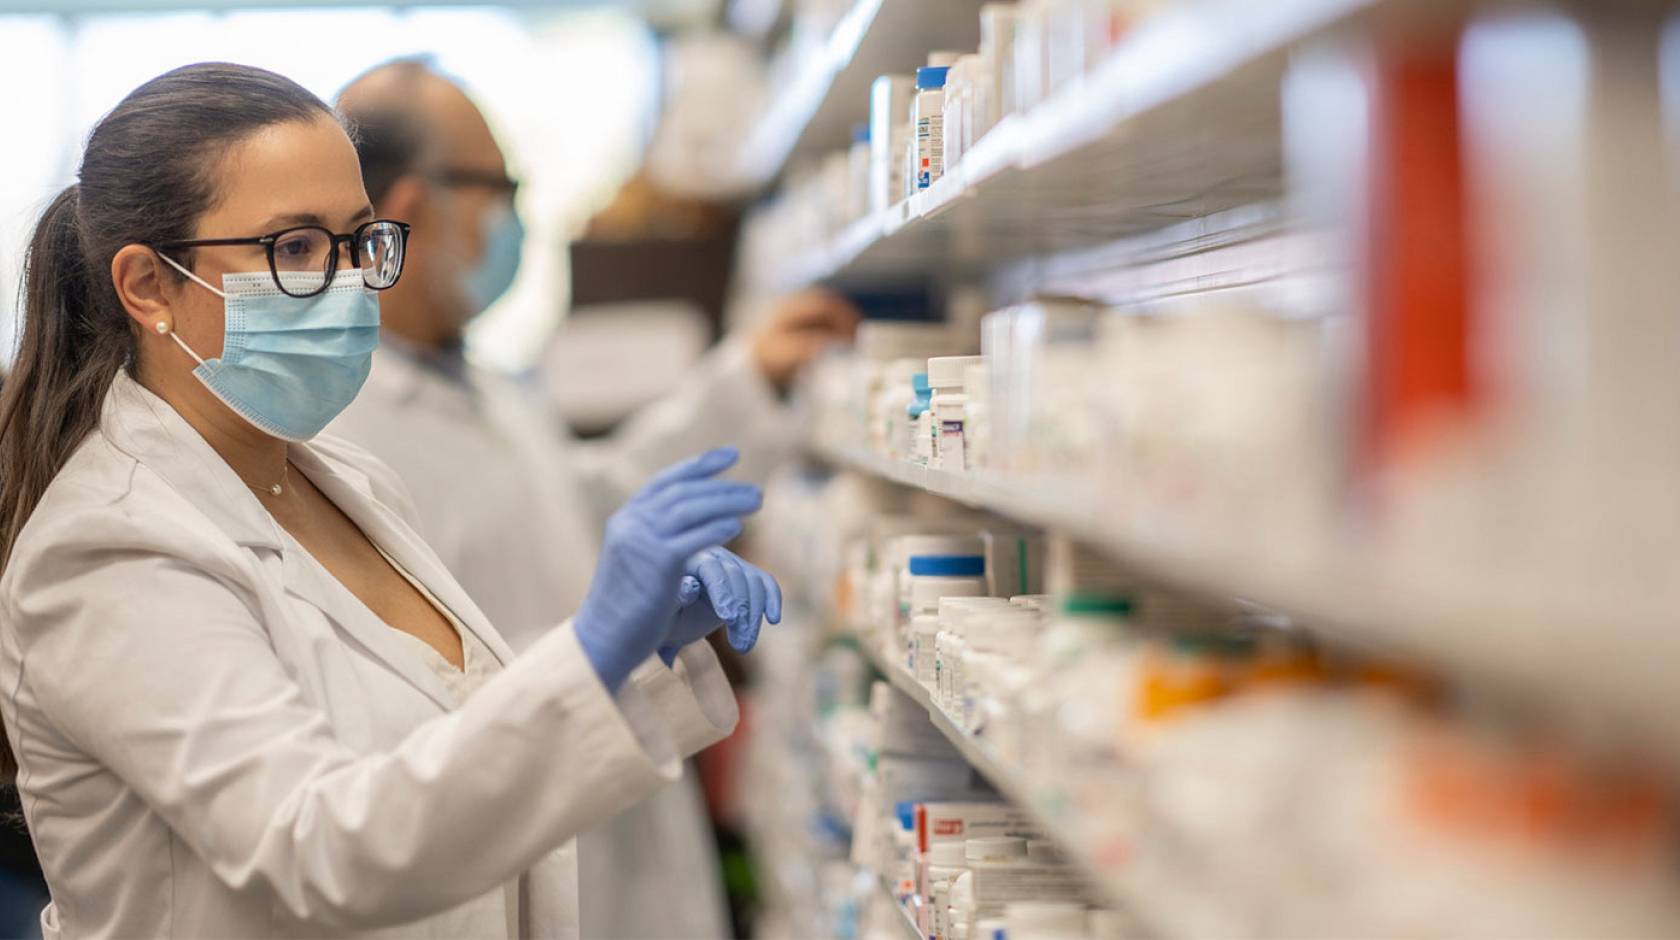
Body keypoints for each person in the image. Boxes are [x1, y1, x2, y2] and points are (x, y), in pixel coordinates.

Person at [0, 62, 782, 939]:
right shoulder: (110, 551)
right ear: (147, 285)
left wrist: (633, 653)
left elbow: (437, 731)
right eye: (294, 248)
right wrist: (590, 647)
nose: (342, 283)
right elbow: (319, 845)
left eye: (356, 240)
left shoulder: (341, 479)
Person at [329, 61, 858, 938]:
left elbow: (597, 506)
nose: (518, 221)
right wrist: (599, 649)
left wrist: (747, 381)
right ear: (416, 208)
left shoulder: (489, 388)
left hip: (620, 816)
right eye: (502, 189)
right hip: (512, 862)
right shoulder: (347, 432)